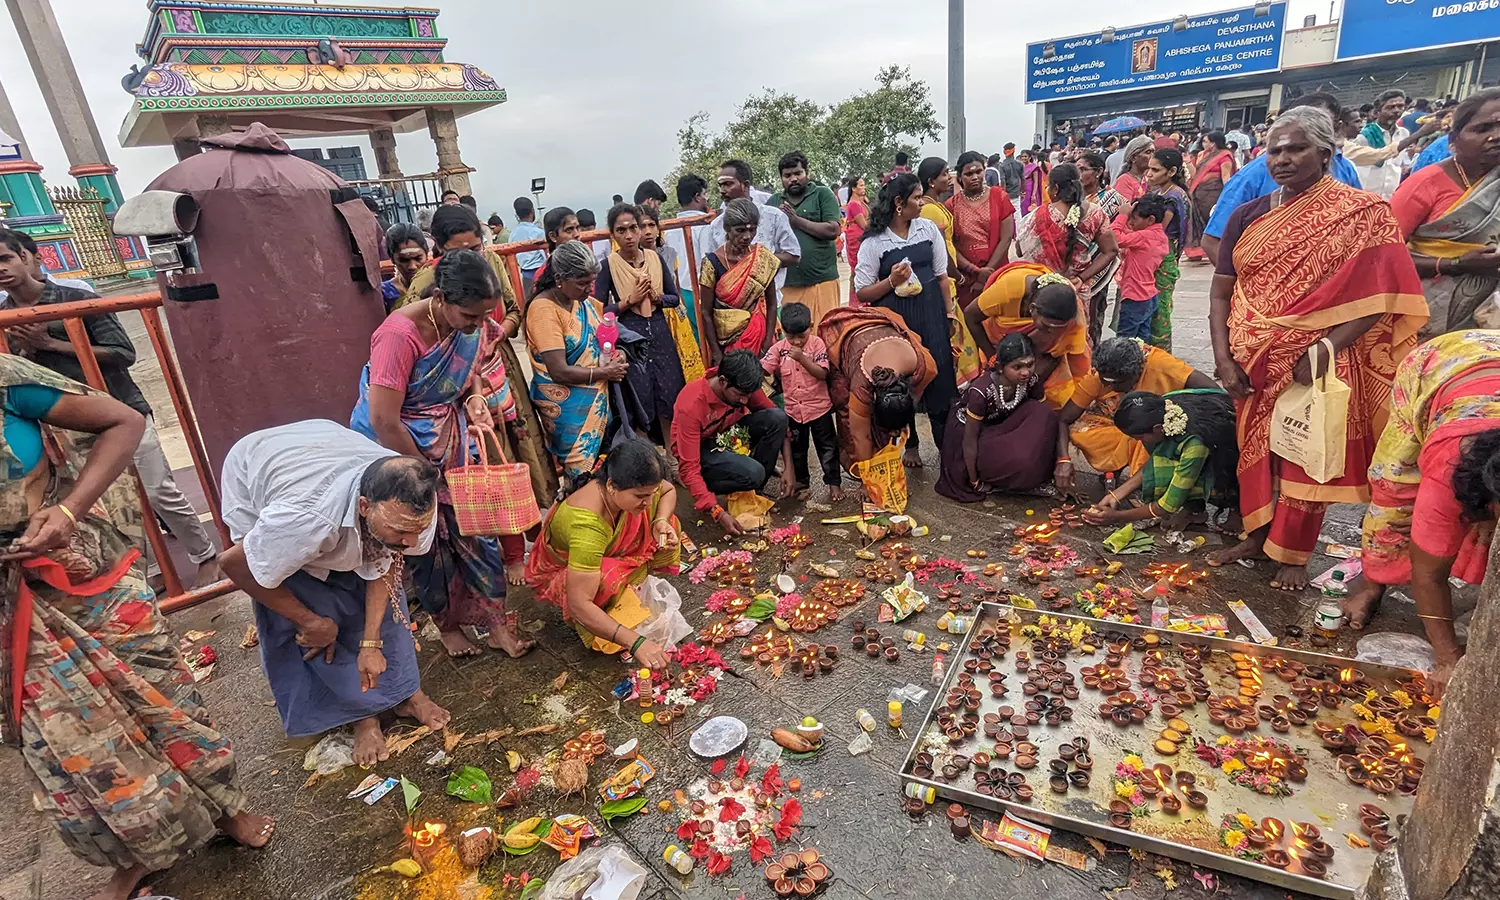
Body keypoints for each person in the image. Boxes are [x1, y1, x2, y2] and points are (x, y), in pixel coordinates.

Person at [0, 354, 272, 900]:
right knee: (69, 740)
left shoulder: (7, 382)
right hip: (12, 611)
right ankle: (137, 854)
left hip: (84, 570)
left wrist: (70, 512)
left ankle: (226, 811)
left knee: (163, 702)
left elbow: (123, 420)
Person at [1207, 106, 1428, 590]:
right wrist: (1223, 358)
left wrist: (1326, 347)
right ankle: (1257, 532)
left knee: (1308, 451)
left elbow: (1381, 296)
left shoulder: (1361, 214)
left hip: (1321, 357)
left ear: (1325, 154)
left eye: (1296, 148)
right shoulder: (1248, 215)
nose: (1283, 159)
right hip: (1254, 355)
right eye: (1274, 150)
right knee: (1256, 447)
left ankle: (1293, 552)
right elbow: (1222, 289)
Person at [0, 228, 222, 588]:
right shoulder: (5, 317)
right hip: (63, 426)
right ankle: (149, 570)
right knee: (108, 501)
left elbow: (123, 353)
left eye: (6, 258)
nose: (1, 269)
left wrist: (52, 343)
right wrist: (26, 350)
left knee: (156, 490)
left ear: (27, 257)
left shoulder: (74, 300)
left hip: (121, 409)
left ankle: (205, 556)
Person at [221, 419, 452, 759]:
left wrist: (371, 641)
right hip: (260, 466)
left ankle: (406, 694)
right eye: (401, 530)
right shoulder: (303, 520)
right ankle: (362, 716)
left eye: (416, 531)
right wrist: (308, 621)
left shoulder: (414, 509)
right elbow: (235, 566)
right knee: (316, 606)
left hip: (325, 447)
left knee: (387, 605)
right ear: (364, 507)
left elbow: (385, 566)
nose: (412, 541)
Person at [350, 249, 534, 657]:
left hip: (451, 436)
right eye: (470, 316)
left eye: (487, 314)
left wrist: (474, 399)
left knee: (478, 532)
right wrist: (426, 477)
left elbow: (473, 373)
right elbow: (383, 419)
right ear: (442, 299)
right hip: (402, 449)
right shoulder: (399, 335)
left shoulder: (472, 326)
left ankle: (497, 624)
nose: (481, 324)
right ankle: (448, 628)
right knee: (427, 542)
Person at [1343, 331, 1500, 697]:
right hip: (1438, 367)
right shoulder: (1452, 468)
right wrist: (1448, 658)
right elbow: (1428, 573)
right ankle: (1372, 583)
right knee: (1393, 485)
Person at [393, 206, 558, 508]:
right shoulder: (426, 283)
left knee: (517, 438)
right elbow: (423, 337)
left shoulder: (492, 262)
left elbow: (514, 310)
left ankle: (529, 513)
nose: (472, 256)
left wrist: (491, 338)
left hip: (497, 360)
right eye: (460, 250)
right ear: (440, 247)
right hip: (454, 377)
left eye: (475, 247)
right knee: (484, 455)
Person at [526, 438, 680, 668]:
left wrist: (660, 520)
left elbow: (667, 491)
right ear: (610, 486)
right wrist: (635, 643)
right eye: (640, 496)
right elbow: (580, 604)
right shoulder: (587, 525)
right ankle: (606, 623)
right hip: (566, 571)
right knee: (606, 579)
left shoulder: (628, 489)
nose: (648, 502)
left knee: (670, 525)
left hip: (603, 552)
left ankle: (627, 593)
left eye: (651, 493)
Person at [853, 173, 959, 465]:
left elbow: (941, 276)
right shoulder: (874, 242)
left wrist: (948, 313)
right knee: (902, 381)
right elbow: (862, 290)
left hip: (931, 313)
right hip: (896, 322)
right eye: (916, 198)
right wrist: (890, 281)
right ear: (899, 203)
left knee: (939, 375)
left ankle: (945, 445)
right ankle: (910, 443)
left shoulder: (927, 229)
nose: (922, 203)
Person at [1201, 94, 1365, 267]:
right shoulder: (1254, 175)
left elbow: (1361, 232)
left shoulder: (1345, 169)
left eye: (1320, 122)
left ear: (1336, 128)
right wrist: (1247, 285)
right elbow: (1213, 240)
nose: (1282, 160)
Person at [1390, 89, 1500, 336]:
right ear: (1454, 139)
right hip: (1426, 312)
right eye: (1482, 129)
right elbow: (1381, 256)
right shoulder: (1425, 184)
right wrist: (1456, 263)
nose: (1496, 136)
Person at [1055, 335, 1218, 492]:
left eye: (1114, 383)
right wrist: (1063, 460)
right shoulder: (1100, 374)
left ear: (1136, 373)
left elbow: (1214, 392)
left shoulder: (1161, 365)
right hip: (1115, 424)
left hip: (1156, 428)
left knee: (1141, 435)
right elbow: (1065, 418)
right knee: (1081, 430)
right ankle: (1116, 470)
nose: (1107, 386)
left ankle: (1145, 483)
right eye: (1104, 380)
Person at [596, 203, 698, 443]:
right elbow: (599, 310)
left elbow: (673, 299)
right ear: (613, 235)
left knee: (669, 393)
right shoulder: (608, 266)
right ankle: (646, 458)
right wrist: (628, 301)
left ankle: (673, 457)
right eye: (621, 230)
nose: (629, 235)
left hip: (660, 332)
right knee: (640, 398)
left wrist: (656, 298)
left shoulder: (655, 259)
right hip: (631, 338)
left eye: (634, 228)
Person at [526, 241, 623, 484]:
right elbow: (558, 371)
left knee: (606, 473)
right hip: (568, 410)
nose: (590, 289)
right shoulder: (543, 310)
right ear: (559, 279)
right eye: (582, 283)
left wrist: (617, 355)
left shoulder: (585, 303)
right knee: (581, 476)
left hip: (598, 400)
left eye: (592, 282)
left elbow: (604, 339)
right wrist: (604, 372)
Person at [671, 349, 789, 536]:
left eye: (749, 396)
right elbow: (688, 468)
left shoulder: (744, 384)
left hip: (728, 436)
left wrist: (789, 467)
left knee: (777, 418)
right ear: (723, 381)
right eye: (741, 395)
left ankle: (754, 493)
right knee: (754, 472)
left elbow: (778, 420)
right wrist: (717, 511)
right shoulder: (692, 405)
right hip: (702, 450)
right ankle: (717, 486)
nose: (745, 400)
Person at [1082, 389, 1239, 528]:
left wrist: (1117, 517)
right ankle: (1194, 509)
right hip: (1201, 448)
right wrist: (1115, 495)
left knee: (1183, 476)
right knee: (1162, 466)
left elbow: (1168, 505)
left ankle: (1237, 509)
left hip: (1229, 462)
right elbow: (1156, 459)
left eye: (1138, 437)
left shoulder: (1194, 445)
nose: (1136, 441)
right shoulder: (1161, 408)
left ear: (1158, 429)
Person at [935, 332, 1059, 502]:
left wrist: (1062, 462)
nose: (1025, 372)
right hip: (972, 436)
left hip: (1002, 424)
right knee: (1020, 459)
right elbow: (969, 440)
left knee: (1046, 414)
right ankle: (999, 474)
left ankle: (1037, 473)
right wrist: (975, 482)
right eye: (1017, 367)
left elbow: (1042, 418)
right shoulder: (980, 392)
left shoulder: (1032, 380)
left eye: (1030, 365)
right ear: (1000, 367)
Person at [819, 304, 938, 467]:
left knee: (893, 419)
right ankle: (851, 462)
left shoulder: (925, 368)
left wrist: (898, 424)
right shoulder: (861, 385)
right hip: (846, 330)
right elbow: (860, 436)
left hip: (884, 323)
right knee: (844, 407)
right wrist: (869, 477)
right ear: (874, 397)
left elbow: (908, 402)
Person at [964, 265, 1089, 410]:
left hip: (1041, 359)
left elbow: (1060, 349)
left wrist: (1032, 383)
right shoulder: (1008, 289)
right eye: (1046, 325)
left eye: (1058, 328)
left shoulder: (1071, 309)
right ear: (1032, 309)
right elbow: (970, 315)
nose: (1051, 333)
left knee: (1051, 402)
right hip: (998, 348)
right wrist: (994, 357)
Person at [1016, 163, 1120, 336]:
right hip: (1077, 290)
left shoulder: (1036, 216)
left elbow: (1020, 250)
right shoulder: (1095, 213)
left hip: (1044, 291)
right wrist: (1081, 278)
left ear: (1055, 189)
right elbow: (1111, 251)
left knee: (1045, 339)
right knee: (1076, 340)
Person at [762, 302, 843, 502]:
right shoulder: (778, 349)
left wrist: (802, 359)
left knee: (827, 448)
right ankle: (801, 481)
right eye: (791, 337)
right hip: (793, 411)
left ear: (811, 327)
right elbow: (764, 369)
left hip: (819, 409)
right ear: (784, 333)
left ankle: (834, 484)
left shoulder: (817, 345)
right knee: (798, 450)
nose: (797, 342)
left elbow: (823, 373)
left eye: (801, 336)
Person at [916, 157, 983, 387]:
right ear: (931, 181)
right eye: (944, 174)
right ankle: (958, 383)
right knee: (955, 332)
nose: (949, 178)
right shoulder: (930, 212)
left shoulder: (932, 206)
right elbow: (941, 250)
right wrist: (959, 274)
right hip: (945, 279)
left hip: (946, 278)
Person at [699, 198, 781, 362]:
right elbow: (705, 312)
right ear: (727, 229)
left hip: (760, 337)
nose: (747, 236)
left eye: (752, 230)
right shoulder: (711, 263)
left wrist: (767, 345)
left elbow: (772, 304)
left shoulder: (762, 258)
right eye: (740, 230)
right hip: (728, 342)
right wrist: (716, 352)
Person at [947, 150, 1017, 338]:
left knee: (1000, 324)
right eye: (969, 174)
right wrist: (974, 271)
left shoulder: (999, 197)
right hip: (967, 278)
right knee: (971, 328)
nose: (975, 177)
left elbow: (1006, 237)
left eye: (978, 171)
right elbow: (950, 245)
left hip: (998, 272)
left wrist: (987, 273)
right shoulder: (950, 205)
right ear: (960, 177)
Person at [701, 159, 801, 289]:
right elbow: (711, 267)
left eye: (728, 184)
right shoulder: (716, 225)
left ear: (745, 186)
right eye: (720, 185)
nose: (723, 191)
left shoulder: (774, 216)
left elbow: (793, 256)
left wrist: (756, 260)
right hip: (729, 304)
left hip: (768, 299)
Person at [770, 151, 844, 326]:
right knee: (793, 340)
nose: (793, 179)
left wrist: (796, 220)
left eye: (798, 173)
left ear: (806, 173)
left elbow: (833, 229)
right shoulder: (774, 202)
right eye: (787, 175)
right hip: (788, 285)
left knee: (826, 333)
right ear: (781, 178)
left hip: (822, 281)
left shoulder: (822, 194)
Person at [637, 203, 706, 372]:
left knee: (687, 365)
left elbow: (675, 286)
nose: (647, 231)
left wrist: (682, 310)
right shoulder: (634, 259)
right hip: (652, 315)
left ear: (658, 228)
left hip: (675, 314)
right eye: (641, 226)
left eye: (651, 225)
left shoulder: (669, 252)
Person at [1137, 148, 1189, 351]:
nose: (1149, 174)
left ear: (1172, 171)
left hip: (1163, 255)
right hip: (1156, 253)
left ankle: (1161, 353)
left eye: (1155, 170)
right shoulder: (1161, 192)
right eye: (1149, 168)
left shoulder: (1173, 197)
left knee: (1160, 305)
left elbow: (1158, 229)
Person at [1110, 195, 1171, 341]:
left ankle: (1123, 364)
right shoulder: (1158, 235)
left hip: (1135, 297)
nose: (1131, 222)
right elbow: (1132, 236)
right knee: (1142, 341)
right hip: (1148, 296)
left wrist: (1122, 216)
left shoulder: (1145, 237)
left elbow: (1113, 237)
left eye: (1134, 219)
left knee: (1124, 341)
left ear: (1150, 220)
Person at [664, 173, 713, 336]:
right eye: (705, 194)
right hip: (702, 291)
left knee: (696, 342)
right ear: (697, 197)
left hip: (681, 293)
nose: (707, 199)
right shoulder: (703, 226)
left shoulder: (669, 229)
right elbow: (709, 263)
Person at [1186, 131, 1236, 261]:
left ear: (1214, 143)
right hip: (1198, 193)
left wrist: (1228, 196)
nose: (1203, 144)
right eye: (1202, 141)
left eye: (1206, 141)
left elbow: (1226, 177)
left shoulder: (1224, 157)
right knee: (1197, 221)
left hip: (1213, 194)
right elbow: (1195, 175)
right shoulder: (1202, 155)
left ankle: (1216, 249)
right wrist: (1188, 163)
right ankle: (1197, 251)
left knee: (1210, 219)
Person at [382, 222, 429, 312]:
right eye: (404, 260)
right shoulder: (384, 294)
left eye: (418, 258)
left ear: (426, 253)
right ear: (392, 259)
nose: (412, 266)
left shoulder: (438, 284)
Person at [511, 196, 546, 298]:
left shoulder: (513, 234)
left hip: (525, 275)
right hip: (541, 273)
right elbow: (545, 256)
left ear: (517, 214)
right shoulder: (539, 232)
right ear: (532, 211)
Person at [1112, 135, 1156, 206]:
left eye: (1153, 152)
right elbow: (1122, 212)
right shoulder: (1124, 181)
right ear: (1133, 158)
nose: (1152, 156)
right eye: (1148, 152)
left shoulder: (1145, 178)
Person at [1019, 149, 1047, 216]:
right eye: (1022, 156)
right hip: (1022, 189)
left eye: (1025, 156)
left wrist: (1034, 194)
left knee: (1030, 209)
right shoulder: (1020, 166)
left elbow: (1036, 181)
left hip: (1030, 189)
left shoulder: (1033, 167)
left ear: (1030, 157)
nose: (1023, 158)